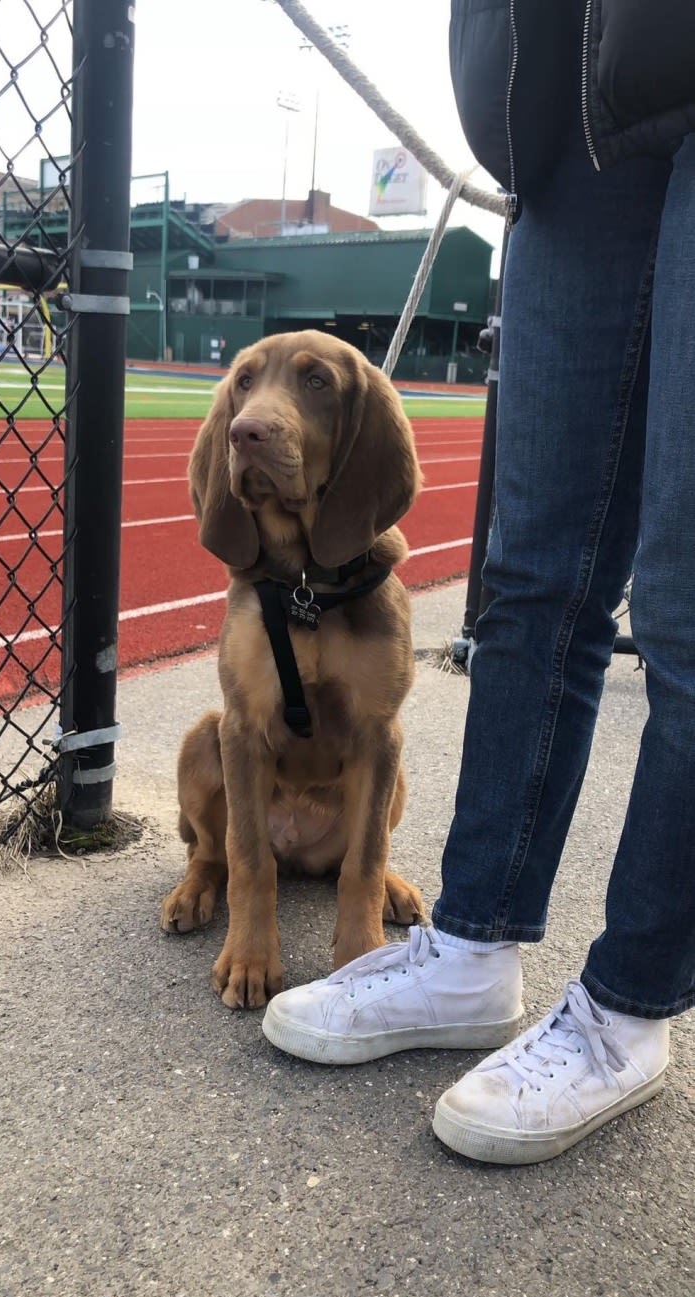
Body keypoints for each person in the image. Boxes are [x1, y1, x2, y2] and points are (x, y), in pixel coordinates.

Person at [260, 0, 695, 1164]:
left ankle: (627, 1007)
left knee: (686, 601)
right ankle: (471, 949)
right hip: (576, 98)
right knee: (527, 578)